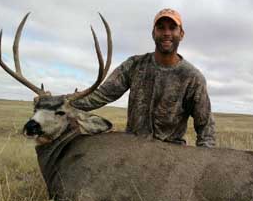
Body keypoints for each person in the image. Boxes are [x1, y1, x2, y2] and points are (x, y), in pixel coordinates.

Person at [71, 8, 216, 147]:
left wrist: (206, 162)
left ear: (181, 34)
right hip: (132, 150)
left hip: (171, 157)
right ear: (153, 33)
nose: (166, 33)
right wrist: (64, 104)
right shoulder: (134, 65)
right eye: (161, 28)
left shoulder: (192, 78)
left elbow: (205, 127)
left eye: (172, 28)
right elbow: (101, 95)